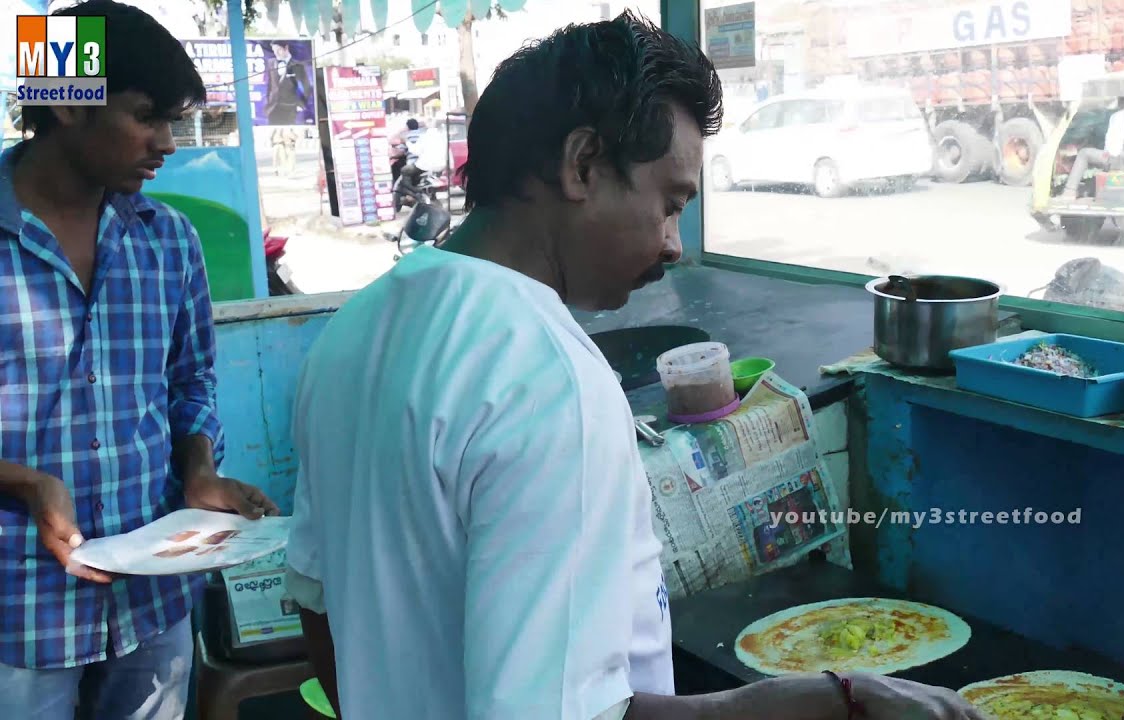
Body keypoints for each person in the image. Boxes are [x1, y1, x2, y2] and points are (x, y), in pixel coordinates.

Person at [284, 11, 984, 720]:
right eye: (671, 204)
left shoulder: (355, 330)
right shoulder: (543, 378)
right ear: (583, 165)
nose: (676, 245)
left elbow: (316, 602)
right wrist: (826, 699)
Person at [0, 2, 280, 718]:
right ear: (67, 107)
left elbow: (191, 382)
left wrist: (199, 473)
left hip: (152, 606)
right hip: (19, 612)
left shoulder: (169, 240)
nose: (166, 143)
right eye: (146, 115)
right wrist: (28, 485)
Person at [1063, 97, 1124, 200]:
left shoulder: (1117, 116)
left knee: (1084, 153)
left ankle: (1069, 191)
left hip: (1115, 159)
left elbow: (1112, 147)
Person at [263, 40, 311, 125]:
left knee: (289, 134)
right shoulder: (271, 63)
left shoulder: (298, 65)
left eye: (279, 50)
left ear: (286, 48)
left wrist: (301, 104)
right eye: (274, 50)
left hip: (290, 107)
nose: (276, 53)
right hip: (273, 107)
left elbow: (307, 87)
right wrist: (268, 101)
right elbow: (270, 84)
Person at [387, 117, 421, 186]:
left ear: (408, 127)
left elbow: (401, 152)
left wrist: (391, 157)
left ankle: (409, 191)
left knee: (404, 172)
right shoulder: (423, 134)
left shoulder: (407, 137)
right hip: (425, 163)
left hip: (413, 163)